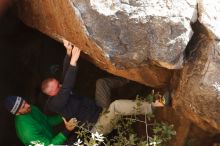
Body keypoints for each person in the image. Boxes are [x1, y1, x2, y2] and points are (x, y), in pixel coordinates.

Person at [41, 39, 169, 135]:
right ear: (51, 93)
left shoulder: (59, 90)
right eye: (58, 86)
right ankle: (155, 105)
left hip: (100, 110)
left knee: (101, 83)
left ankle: (129, 79)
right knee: (116, 106)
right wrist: (74, 61)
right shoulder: (55, 104)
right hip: (99, 126)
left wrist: (68, 52)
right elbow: (67, 87)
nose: (61, 84)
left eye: (58, 83)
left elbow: (64, 75)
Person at [4, 96, 77, 146]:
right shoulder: (27, 133)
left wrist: (62, 116)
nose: (28, 105)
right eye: (23, 107)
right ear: (17, 113)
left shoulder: (30, 108)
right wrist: (67, 131)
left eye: (24, 102)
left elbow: (47, 121)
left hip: (50, 138)